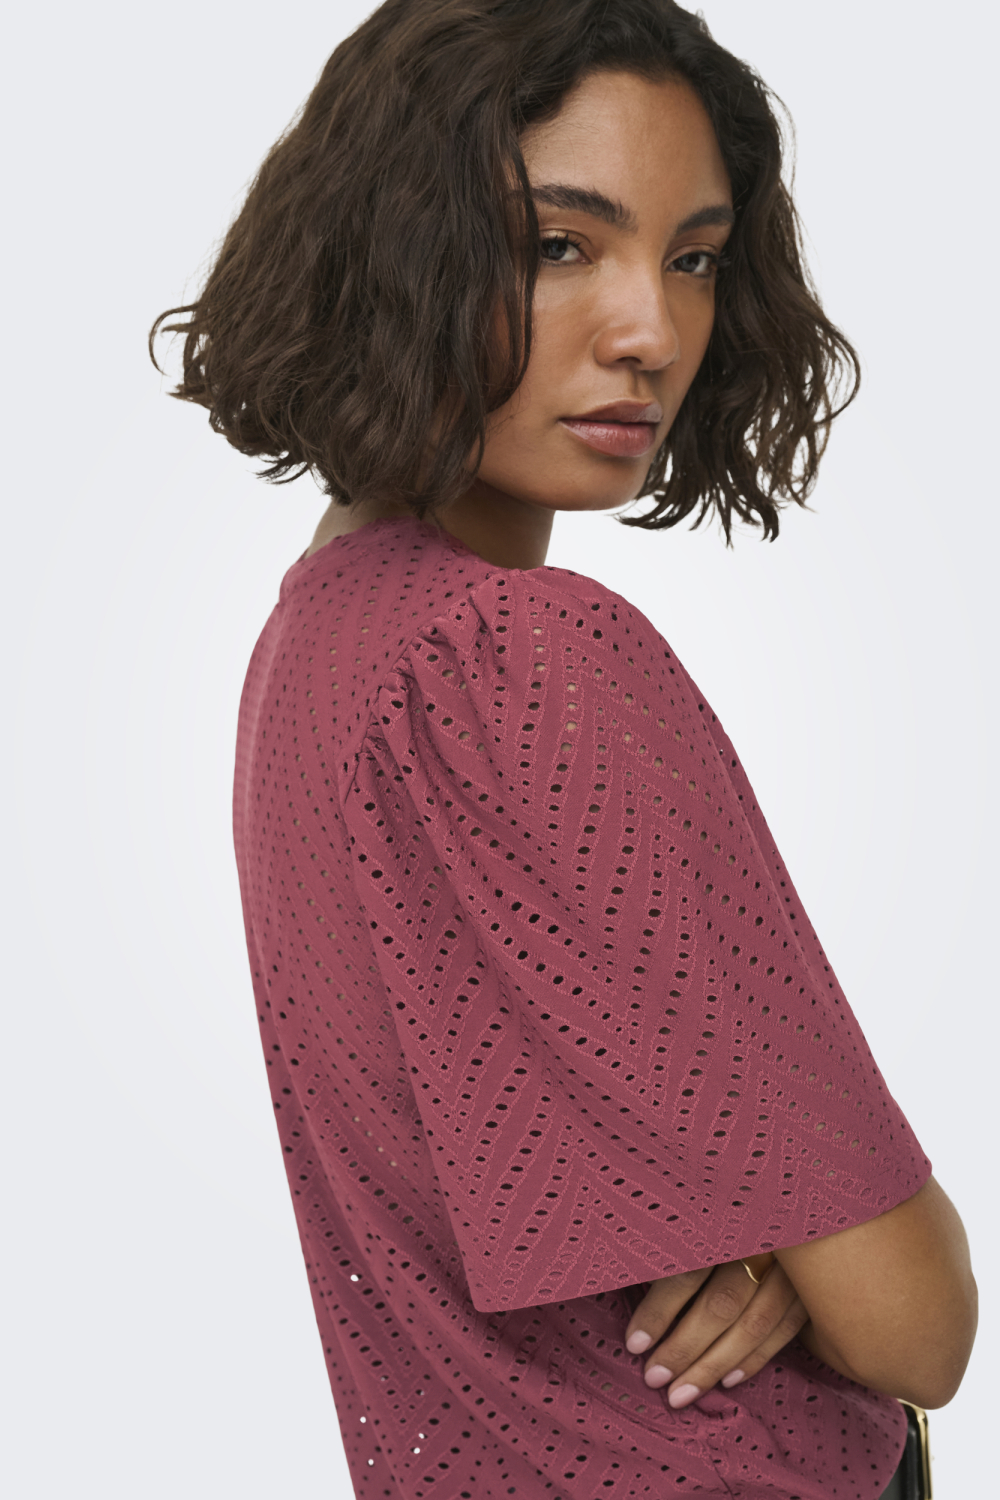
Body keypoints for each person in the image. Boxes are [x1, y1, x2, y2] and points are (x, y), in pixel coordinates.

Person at [149, 2, 977, 1495]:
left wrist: (769, 1244)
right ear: (397, 254)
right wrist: (823, 1256)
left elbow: (531, 1146)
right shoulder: (526, 656)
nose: (650, 330)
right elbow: (919, 1326)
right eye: (558, 245)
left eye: (694, 258)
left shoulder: (315, 643)